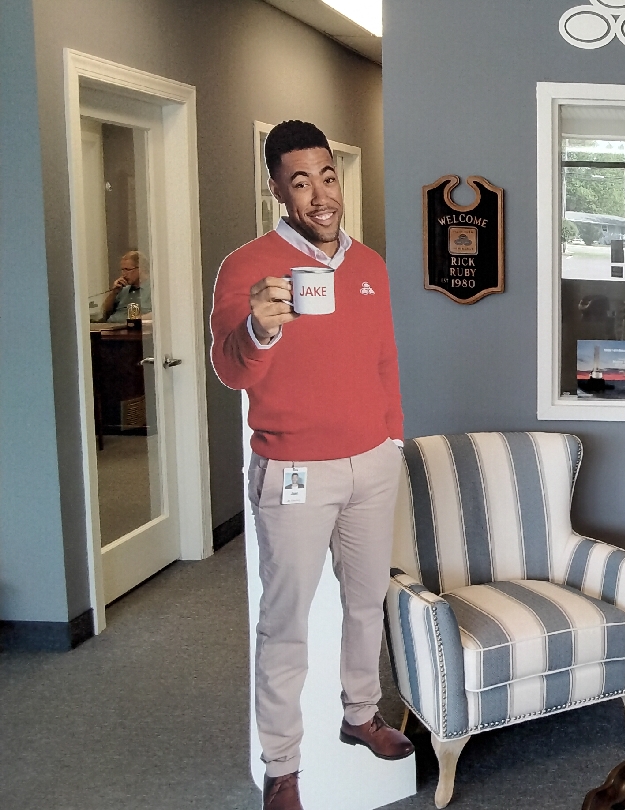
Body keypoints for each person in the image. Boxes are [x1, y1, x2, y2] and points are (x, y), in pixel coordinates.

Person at [209, 120, 411, 810]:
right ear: (277, 190)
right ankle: (283, 765)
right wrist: (259, 328)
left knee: (366, 602)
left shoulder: (369, 265)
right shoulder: (246, 267)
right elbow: (231, 370)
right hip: (293, 469)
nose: (321, 195)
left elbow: (384, 359)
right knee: (285, 621)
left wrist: (392, 440)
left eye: (328, 177)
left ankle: (361, 715)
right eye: (301, 182)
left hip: (371, 465)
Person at [99, 250, 151, 322]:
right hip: (110, 324)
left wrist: (136, 320)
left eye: (127, 269)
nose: (124, 274)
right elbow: (105, 314)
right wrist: (113, 293)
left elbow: (158, 314)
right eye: (122, 270)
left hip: (130, 327)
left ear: (141, 268)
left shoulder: (152, 289)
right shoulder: (123, 288)